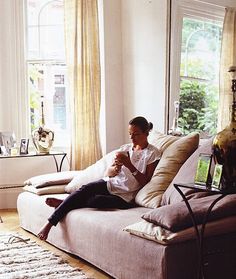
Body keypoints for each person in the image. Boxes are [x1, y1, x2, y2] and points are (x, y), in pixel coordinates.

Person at [38, 116, 161, 240]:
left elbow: (145, 181)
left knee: (95, 201)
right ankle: (49, 223)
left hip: (125, 196)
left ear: (146, 133)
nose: (131, 138)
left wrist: (129, 164)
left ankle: (66, 203)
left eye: (136, 134)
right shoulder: (125, 148)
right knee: (84, 189)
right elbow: (108, 173)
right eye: (130, 134)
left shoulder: (152, 153)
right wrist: (114, 169)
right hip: (110, 183)